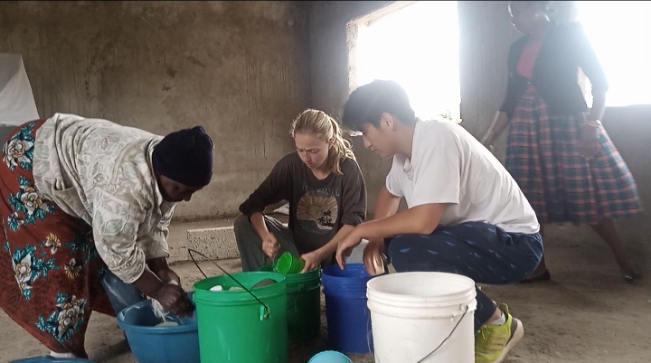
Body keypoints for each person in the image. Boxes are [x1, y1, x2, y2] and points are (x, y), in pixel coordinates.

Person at [335, 80, 542, 363]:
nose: (366, 143)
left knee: (409, 249)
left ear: (386, 121)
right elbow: (390, 193)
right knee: (397, 242)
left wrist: (362, 230)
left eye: (365, 132)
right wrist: (375, 239)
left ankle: (497, 324)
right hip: (481, 237)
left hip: (516, 246)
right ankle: (461, 309)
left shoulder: (436, 137)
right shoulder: (405, 154)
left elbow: (423, 221)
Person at [1, 113, 213, 363]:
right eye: (181, 190)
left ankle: (137, 325)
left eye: (191, 193)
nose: (185, 198)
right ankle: (64, 351)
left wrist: (161, 268)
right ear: (158, 171)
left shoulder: (169, 160)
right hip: (31, 159)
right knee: (61, 261)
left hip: (78, 162)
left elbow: (156, 219)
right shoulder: (123, 186)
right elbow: (117, 252)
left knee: (121, 249)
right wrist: (158, 289)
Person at [481, 1, 643, 282]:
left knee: (584, 192)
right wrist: (486, 140)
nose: (513, 20)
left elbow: (600, 83)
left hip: (567, 123)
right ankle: (538, 266)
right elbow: (509, 101)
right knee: (530, 200)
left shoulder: (571, 35)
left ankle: (622, 257)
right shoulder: (517, 48)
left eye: (517, 12)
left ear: (537, 9)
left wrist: (591, 125)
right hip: (526, 130)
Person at [235, 109, 366, 273]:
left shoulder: (348, 169)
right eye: (300, 150)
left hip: (336, 248)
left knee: (372, 256)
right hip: (296, 249)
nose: (306, 158)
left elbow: (353, 222)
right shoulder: (291, 165)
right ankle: (262, 287)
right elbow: (254, 203)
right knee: (243, 222)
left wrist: (320, 254)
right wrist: (265, 237)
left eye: (313, 151)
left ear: (330, 142)